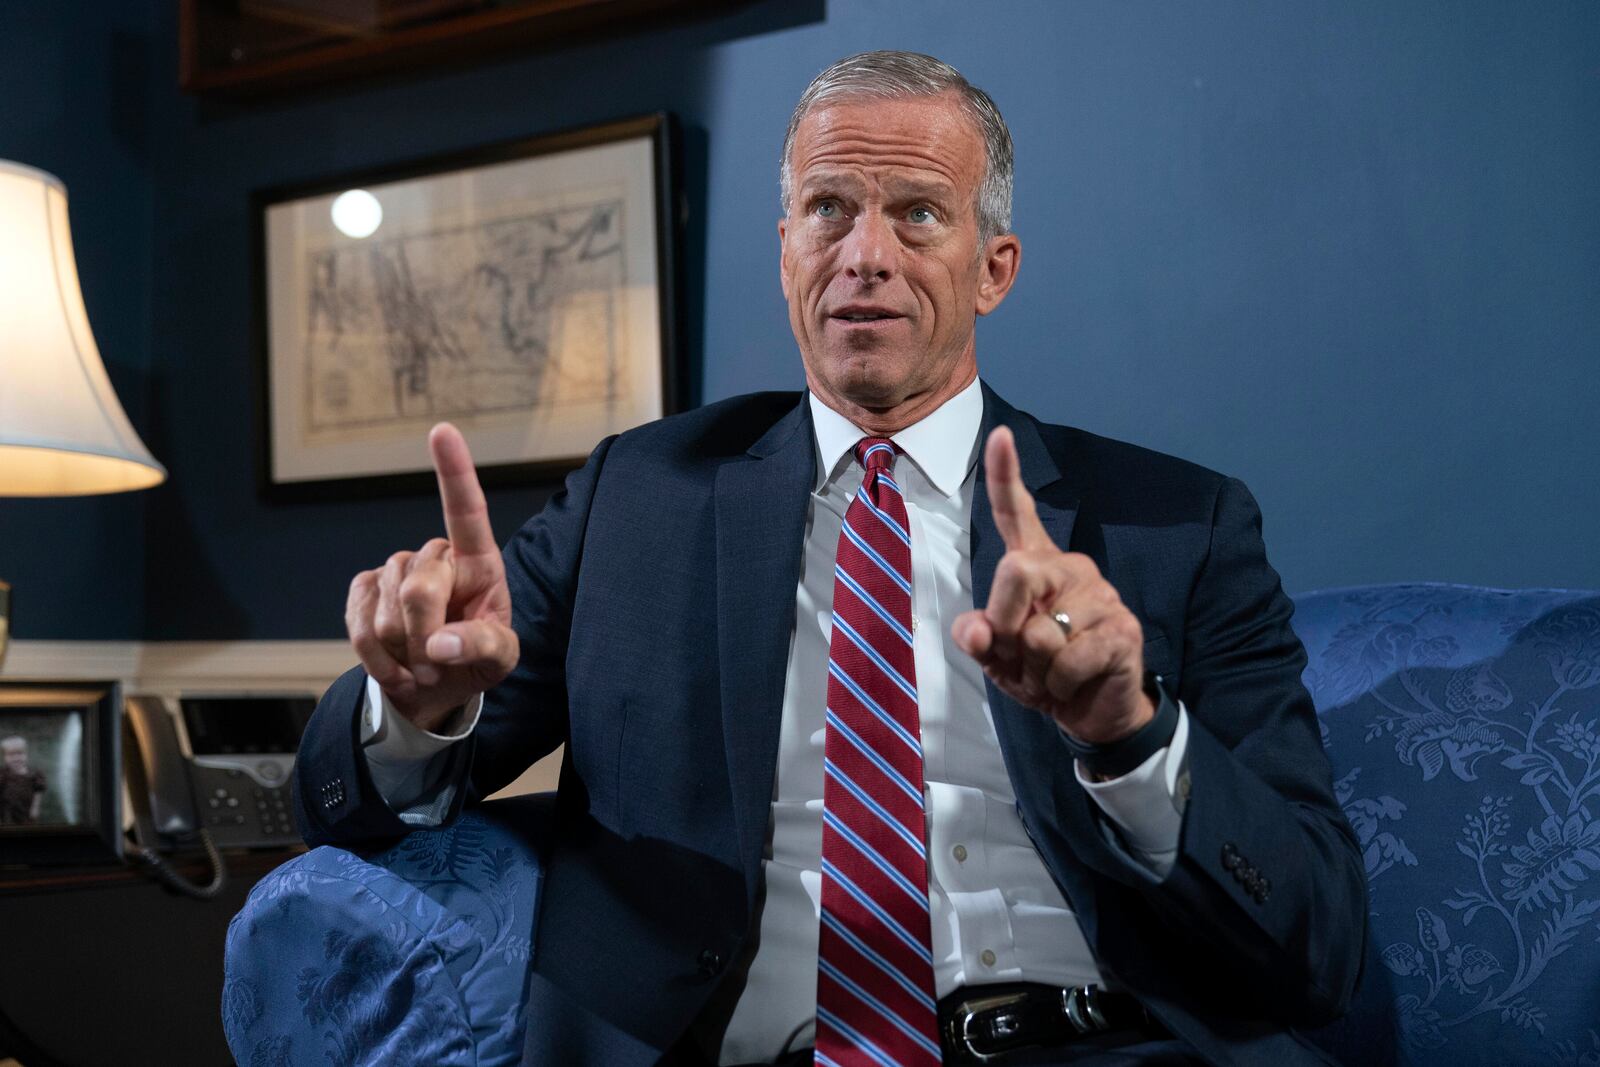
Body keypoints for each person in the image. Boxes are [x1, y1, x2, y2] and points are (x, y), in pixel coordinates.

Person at [295, 51, 1366, 1067]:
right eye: (827, 209)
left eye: (916, 213)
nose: (864, 255)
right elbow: (341, 803)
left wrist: (1130, 736)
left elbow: (1318, 934)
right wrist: (415, 706)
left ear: (993, 268)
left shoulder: (1175, 524)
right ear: (786, 251)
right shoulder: (638, 496)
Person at [0, 735, 47, 825]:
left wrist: (35, 807)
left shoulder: (34, 774)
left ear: (26, 754)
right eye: (11, 755)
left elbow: (38, 791)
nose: (16, 758)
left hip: (27, 809)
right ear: (4, 757)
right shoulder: (3, 774)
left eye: (20, 754)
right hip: (7, 811)